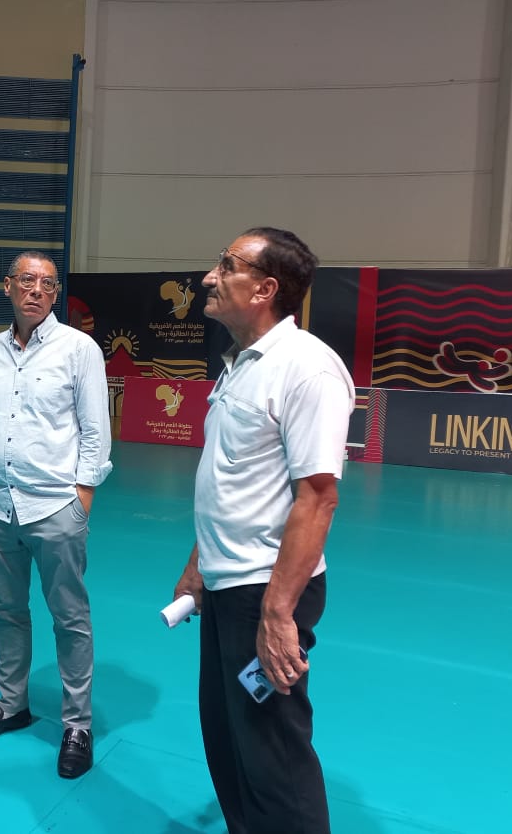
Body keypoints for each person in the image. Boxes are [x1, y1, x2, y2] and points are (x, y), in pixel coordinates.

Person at [172, 227, 354, 834]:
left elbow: (317, 497)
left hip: (266, 590)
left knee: (272, 752)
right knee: (229, 738)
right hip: (227, 584)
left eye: (227, 265)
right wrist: (199, 563)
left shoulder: (307, 369)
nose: (210, 277)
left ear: (265, 289)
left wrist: (278, 614)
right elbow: (233, 481)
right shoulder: (239, 366)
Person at [0, 251, 112, 779]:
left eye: (48, 283)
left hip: (55, 506)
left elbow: (95, 429)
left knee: (70, 617)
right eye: (27, 280)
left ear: (55, 293)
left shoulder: (79, 349)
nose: (37, 290)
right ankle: (12, 705)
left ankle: (77, 724)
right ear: (8, 286)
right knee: (5, 609)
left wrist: (82, 495)